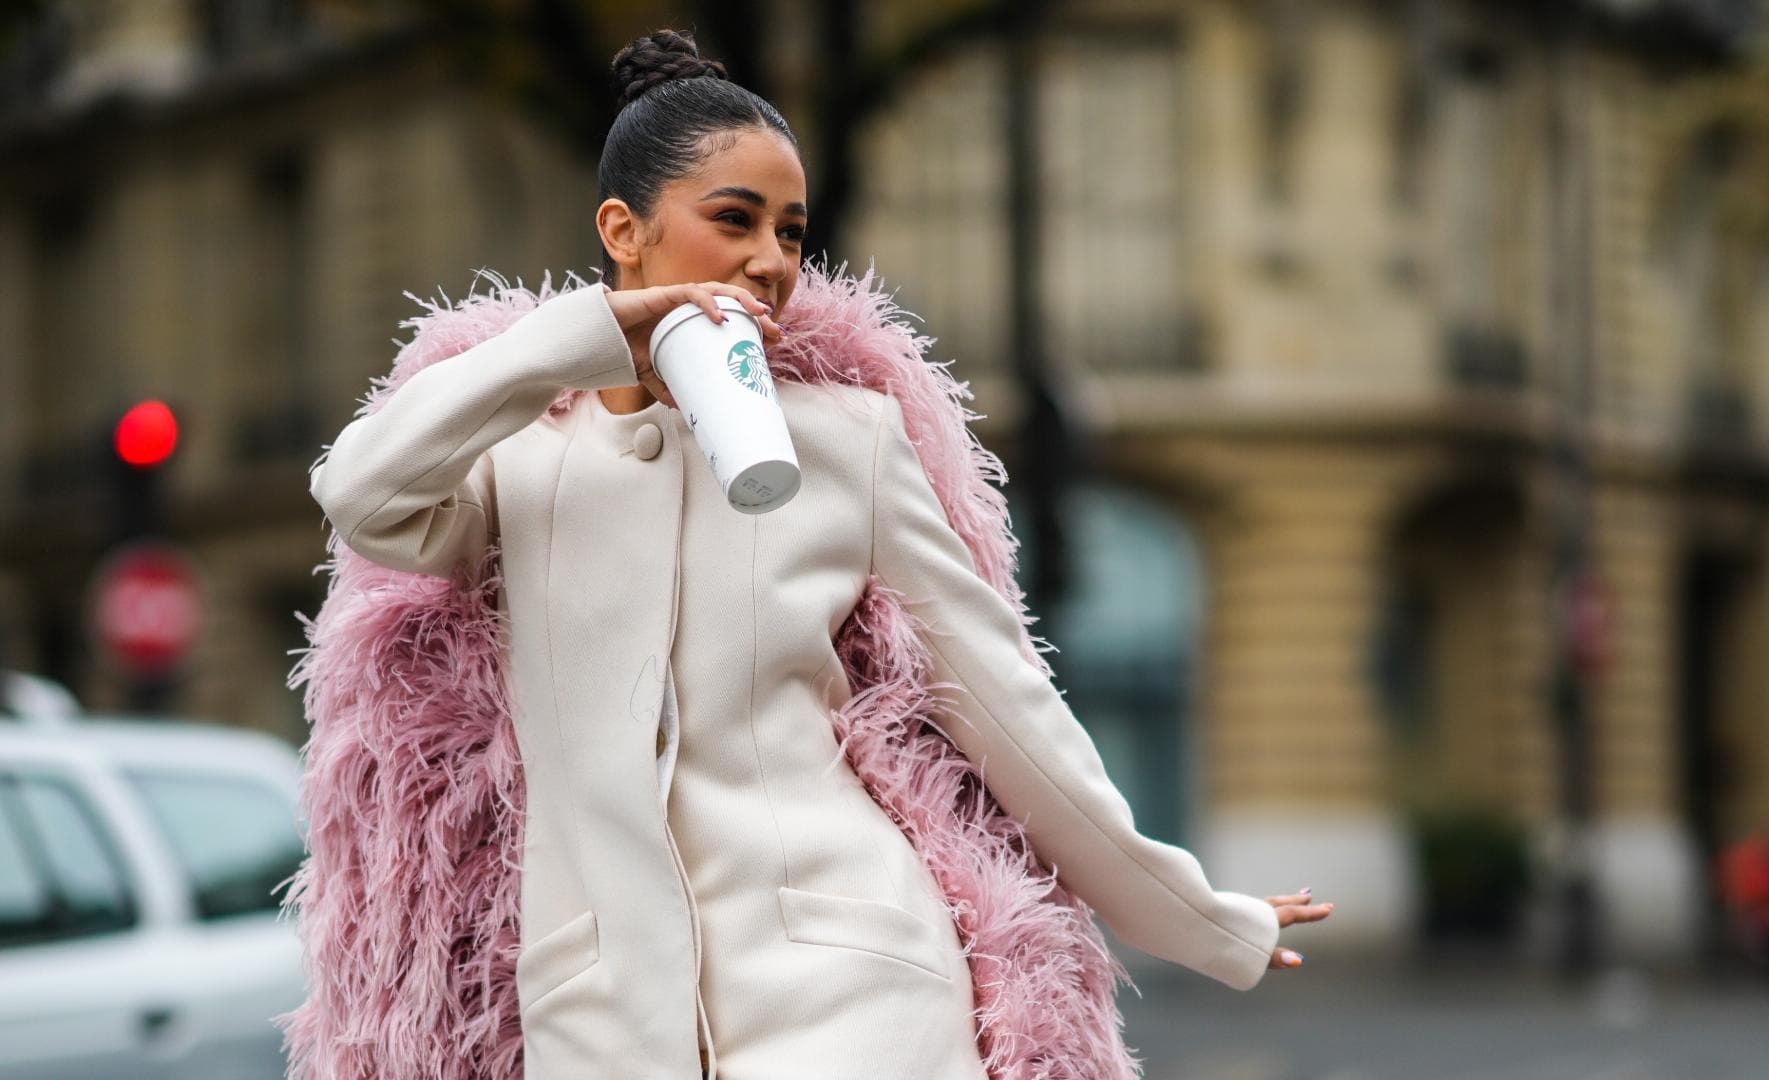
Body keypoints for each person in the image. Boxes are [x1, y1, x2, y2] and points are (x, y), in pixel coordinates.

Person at [289, 28, 1332, 1080]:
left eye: (791, 232)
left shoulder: (849, 440)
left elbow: (1014, 717)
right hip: (601, 1021)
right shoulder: (518, 459)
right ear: (624, 230)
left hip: (856, 996)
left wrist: (1202, 916)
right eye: (734, 221)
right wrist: (581, 338)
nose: (770, 261)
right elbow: (361, 492)